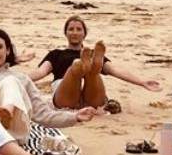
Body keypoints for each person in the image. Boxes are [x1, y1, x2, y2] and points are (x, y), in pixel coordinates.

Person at [0, 28, 99, 141]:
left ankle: (7, 113)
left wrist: (75, 116)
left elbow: (44, 115)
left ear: (8, 51)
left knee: (10, 81)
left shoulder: (21, 79)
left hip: (10, 137)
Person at [26, 16, 163, 111]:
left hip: (91, 96)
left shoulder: (94, 53)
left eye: (79, 29)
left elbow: (115, 70)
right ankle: (81, 66)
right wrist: (16, 78)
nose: (75, 32)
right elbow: (40, 72)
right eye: (71, 29)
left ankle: (93, 68)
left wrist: (141, 82)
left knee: (93, 71)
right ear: (65, 33)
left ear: (84, 34)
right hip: (66, 94)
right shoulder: (56, 54)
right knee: (76, 65)